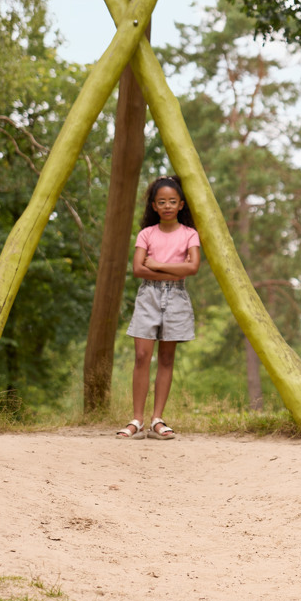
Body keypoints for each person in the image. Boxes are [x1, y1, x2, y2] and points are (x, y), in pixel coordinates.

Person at [117, 175, 200, 440]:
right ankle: (137, 420)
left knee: (166, 358)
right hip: (148, 297)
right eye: (161, 201)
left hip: (177, 298)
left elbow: (193, 267)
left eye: (172, 201)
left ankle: (157, 420)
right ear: (154, 206)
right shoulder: (146, 234)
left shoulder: (189, 234)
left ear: (181, 204)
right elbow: (138, 269)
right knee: (142, 356)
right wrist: (174, 269)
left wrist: (156, 265)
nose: (167, 206)